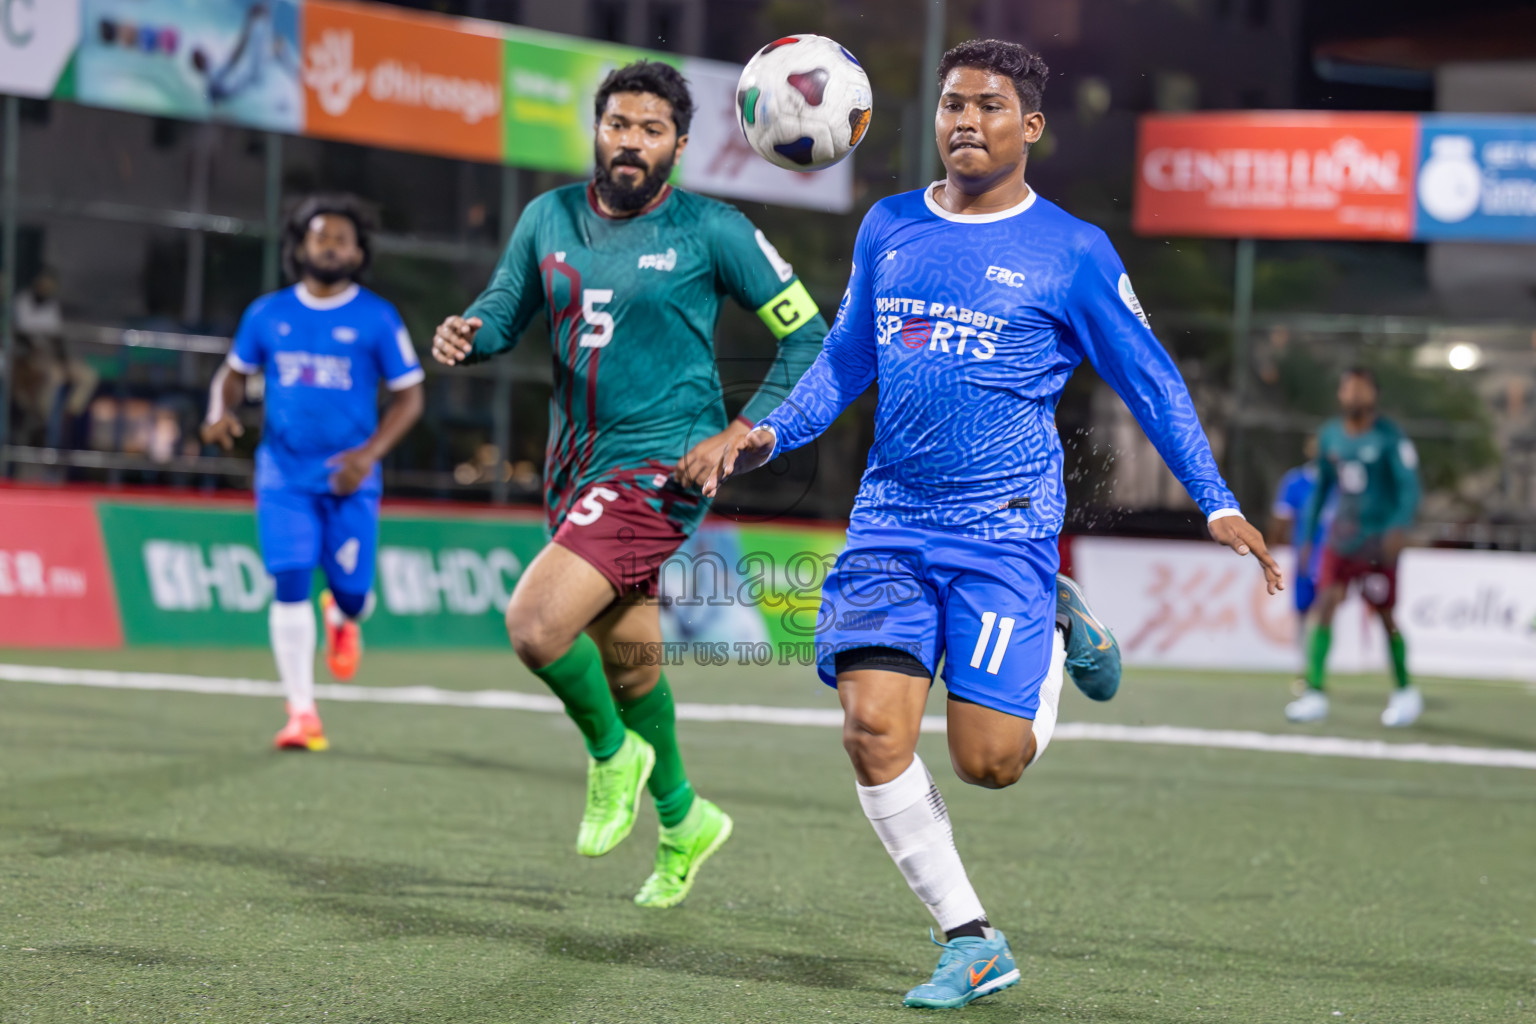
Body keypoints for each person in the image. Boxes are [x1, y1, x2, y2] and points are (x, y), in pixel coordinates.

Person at [706, 39, 1282, 1010]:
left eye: (987, 106)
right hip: (890, 524)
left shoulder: (1071, 252)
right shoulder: (888, 227)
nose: (964, 121)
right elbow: (846, 362)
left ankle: (1054, 622)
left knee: (991, 763)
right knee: (870, 731)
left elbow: (1150, 377)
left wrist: (1216, 498)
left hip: (1003, 530)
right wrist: (766, 434)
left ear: (1031, 127)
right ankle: (969, 938)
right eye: (950, 105)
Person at [429, 62, 830, 909]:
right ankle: (685, 819)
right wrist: (472, 329)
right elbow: (505, 308)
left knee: (536, 627)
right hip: (575, 469)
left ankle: (615, 757)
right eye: (618, 124)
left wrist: (737, 433)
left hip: (664, 466)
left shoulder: (714, 230)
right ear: (598, 130)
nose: (630, 143)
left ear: (680, 147)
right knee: (631, 671)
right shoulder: (548, 217)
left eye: (651, 131)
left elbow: (809, 339)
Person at [202, 194, 424, 751]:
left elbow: (410, 398)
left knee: (354, 595)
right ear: (300, 246)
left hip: (351, 481)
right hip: (282, 475)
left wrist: (367, 457)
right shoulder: (267, 314)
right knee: (290, 582)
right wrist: (218, 411)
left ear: (358, 252)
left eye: (341, 239)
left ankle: (344, 616)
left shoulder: (377, 317)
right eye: (319, 236)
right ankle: (302, 712)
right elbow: (231, 375)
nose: (329, 246)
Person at [1284, 367, 1421, 727]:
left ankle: (1405, 691)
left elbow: (1408, 487)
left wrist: (1399, 526)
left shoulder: (1390, 437)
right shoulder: (1330, 436)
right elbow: (1319, 493)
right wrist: (1308, 538)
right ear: (1341, 395)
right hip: (1341, 539)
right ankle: (1314, 692)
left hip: (1379, 542)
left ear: (1374, 395)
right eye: (1349, 389)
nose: (1355, 396)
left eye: (1362, 389)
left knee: (1385, 615)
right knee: (1325, 605)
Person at [1269, 435, 1333, 687]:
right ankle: (1303, 668)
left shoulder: (1339, 483)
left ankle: (1316, 671)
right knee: (1303, 612)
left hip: (1331, 558)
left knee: (1325, 612)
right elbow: (1281, 518)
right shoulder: (1295, 482)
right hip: (1305, 556)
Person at [12, 268, 99, 448]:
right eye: (44, 284)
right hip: (29, 359)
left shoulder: (51, 307)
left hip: (51, 357)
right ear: (37, 283)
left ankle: (70, 413)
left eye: (50, 286)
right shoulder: (21, 302)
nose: (46, 288)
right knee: (54, 377)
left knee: (89, 375)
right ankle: (44, 426)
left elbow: (56, 340)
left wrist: (65, 361)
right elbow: (21, 338)